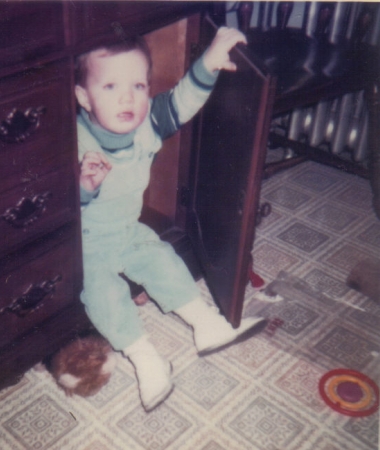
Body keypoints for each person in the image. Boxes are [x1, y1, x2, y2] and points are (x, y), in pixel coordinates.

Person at [74, 26, 264, 412]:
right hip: (86, 245)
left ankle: (205, 324)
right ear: (83, 97)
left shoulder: (148, 123)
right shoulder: (73, 140)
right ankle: (146, 359)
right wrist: (83, 186)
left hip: (127, 229)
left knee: (163, 259)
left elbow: (183, 100)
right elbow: (52, 206)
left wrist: (209, 62)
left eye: (139, 85)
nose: (128, 98)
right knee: (101, 293)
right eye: (110, 86)